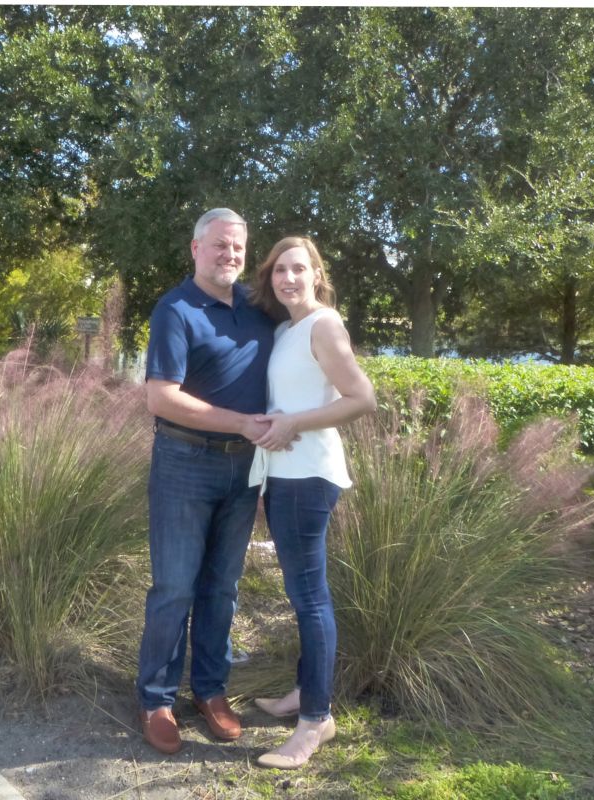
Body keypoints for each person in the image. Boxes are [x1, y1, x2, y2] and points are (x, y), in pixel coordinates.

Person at [136, 208, 295, 755]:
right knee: (175, 587)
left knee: (222, 586)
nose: (230, 254)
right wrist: (242, 423)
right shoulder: (175, 309)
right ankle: (156, 699)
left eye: (238, 247)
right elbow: (161, 398)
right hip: (184, 461)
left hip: (244, 468)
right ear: (196, 248)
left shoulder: (259, 308)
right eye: (220, 245)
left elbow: (307, 323)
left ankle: (209, 690)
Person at [248, 236, 377, 769]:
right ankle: (306, 691)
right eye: (280, 270)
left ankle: (315, 721)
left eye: (299, 269)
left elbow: (362, 398)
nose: (289, 279)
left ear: (317, 275)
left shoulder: (324, 324)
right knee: (301, 593)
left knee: (310, 598)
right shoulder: (286, 329)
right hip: (283, 475)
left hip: (309, 477)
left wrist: (293, 424)